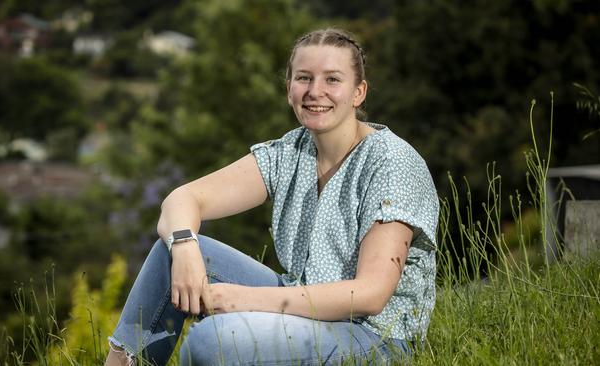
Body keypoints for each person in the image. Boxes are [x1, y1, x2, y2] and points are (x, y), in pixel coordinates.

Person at [104, 28, 439, 366]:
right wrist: (185, 246)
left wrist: (245, 300)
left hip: (373, 336)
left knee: (212, 341)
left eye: (332, 79)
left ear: (358, 92)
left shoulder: (391, 162)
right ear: (289, 88)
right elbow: (183, 198)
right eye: (304, 78)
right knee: (171, 250)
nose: (315, 91)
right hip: (302, 309)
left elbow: (371, 294)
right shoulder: (289, 152)